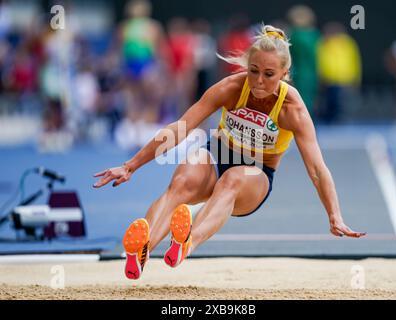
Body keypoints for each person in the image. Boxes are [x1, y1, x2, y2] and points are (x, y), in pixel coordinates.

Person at [93, 25, 366, 280]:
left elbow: (317, 168)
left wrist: (334, 215)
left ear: (284, 74)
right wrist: (130, 166)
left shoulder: (291, 108)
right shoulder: (232, 87)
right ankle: (142, 250)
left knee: (233, 177)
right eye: (254, 70)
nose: (258, 81)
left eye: (269, 74)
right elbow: (180, 128)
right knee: (183, 179)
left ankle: (186, 242)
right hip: (218, 155)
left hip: (255, 176)